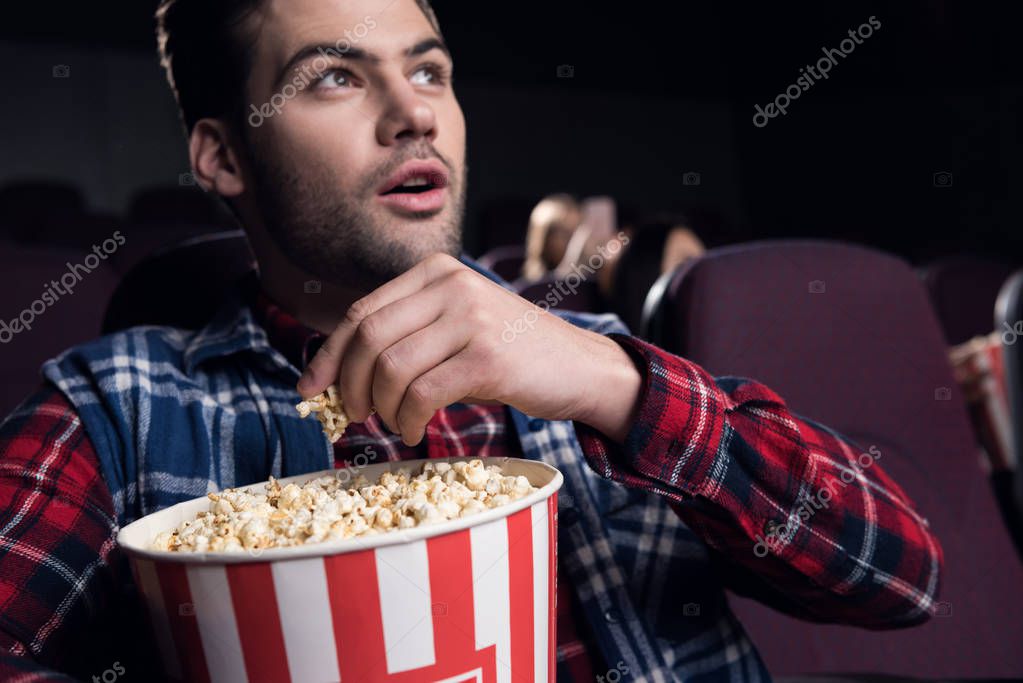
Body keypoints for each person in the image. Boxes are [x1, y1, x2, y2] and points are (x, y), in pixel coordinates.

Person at [0, 1, 942, 680]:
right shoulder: (114, 407)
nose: (413, 113)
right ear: (223, 154)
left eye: (429, 70)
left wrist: (615, 383)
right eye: (334, 77)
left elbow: (900, 577)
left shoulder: (598, 363)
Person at [520, 193, 582, 281]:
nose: (576, 240)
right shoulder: (531, 287)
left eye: (578, 231)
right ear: (544, 240)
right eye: (565, 234)